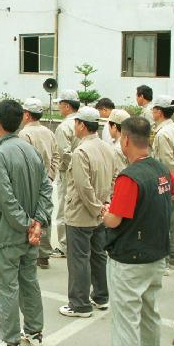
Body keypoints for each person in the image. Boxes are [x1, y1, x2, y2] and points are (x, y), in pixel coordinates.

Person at [87, 117, 174, 346]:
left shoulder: (129, 177)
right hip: (156, 254)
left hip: (130, 258)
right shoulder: (160, 169)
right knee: (151, 314)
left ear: (125, 140)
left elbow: (115, 218)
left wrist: (105, 211)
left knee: (125, 323)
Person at [0, 100, 53, 346]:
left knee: (7, 286)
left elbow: (6, 199)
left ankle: (10, 342)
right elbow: (47, 188)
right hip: (31, 232)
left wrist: (27, 224)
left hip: (9, 234)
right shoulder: (30, 150)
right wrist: (38, 221)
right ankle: (34, 332)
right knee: (29, 281)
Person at [60, 106, 114, 318]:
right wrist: (103, 205)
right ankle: (101, 296)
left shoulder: (81, 151)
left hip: (82, 213)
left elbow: (83, 186)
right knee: (98, 256)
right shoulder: (105, 147)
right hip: (100, 209)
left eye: (76, 122)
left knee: (79, 259)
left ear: (82, 125)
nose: (74, 126)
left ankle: (79, 303)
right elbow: (112, 178)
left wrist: (95, 207)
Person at [19, 97, 60, 268]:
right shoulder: (49, 132)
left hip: (30, 183)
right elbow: (56, 156)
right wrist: (50, 176)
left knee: (28, 216)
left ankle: (30, 251)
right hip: (46, 182)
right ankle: (43, 254)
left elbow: (22, 161)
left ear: (27, 115)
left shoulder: (24, 134)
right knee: (45, 215)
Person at [151, 95, 174, 272]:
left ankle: (165, 260)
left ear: (158, 111)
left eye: (153, 109)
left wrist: (170, 184)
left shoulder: (163, 133)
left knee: (163, 222)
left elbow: (166, 162)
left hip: (167, 183)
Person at [51, 89, 81, 259]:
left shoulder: (63, 127)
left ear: (67, 106)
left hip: (68, 172)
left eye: (60, 104)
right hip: (82, 171)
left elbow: (64, 153)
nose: (59, 107)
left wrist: (74, 169)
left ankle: (64, 245)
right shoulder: (82, 122)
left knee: (64, 208)